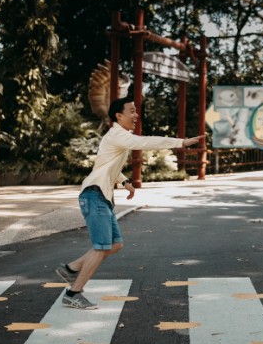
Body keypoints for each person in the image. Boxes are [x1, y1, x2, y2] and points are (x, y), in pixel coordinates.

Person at [56, 97, 205, 309]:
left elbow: (106, 165)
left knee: (115, 244)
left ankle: (71, 269)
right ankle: (73, 292)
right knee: (101, 247)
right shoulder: (119, 135)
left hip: (102, 196)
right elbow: (145, 142)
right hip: (94, 195)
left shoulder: (118, 137)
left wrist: (124, 181)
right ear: (119, 115)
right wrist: (180, 142)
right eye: (132, 111)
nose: (136, 115)